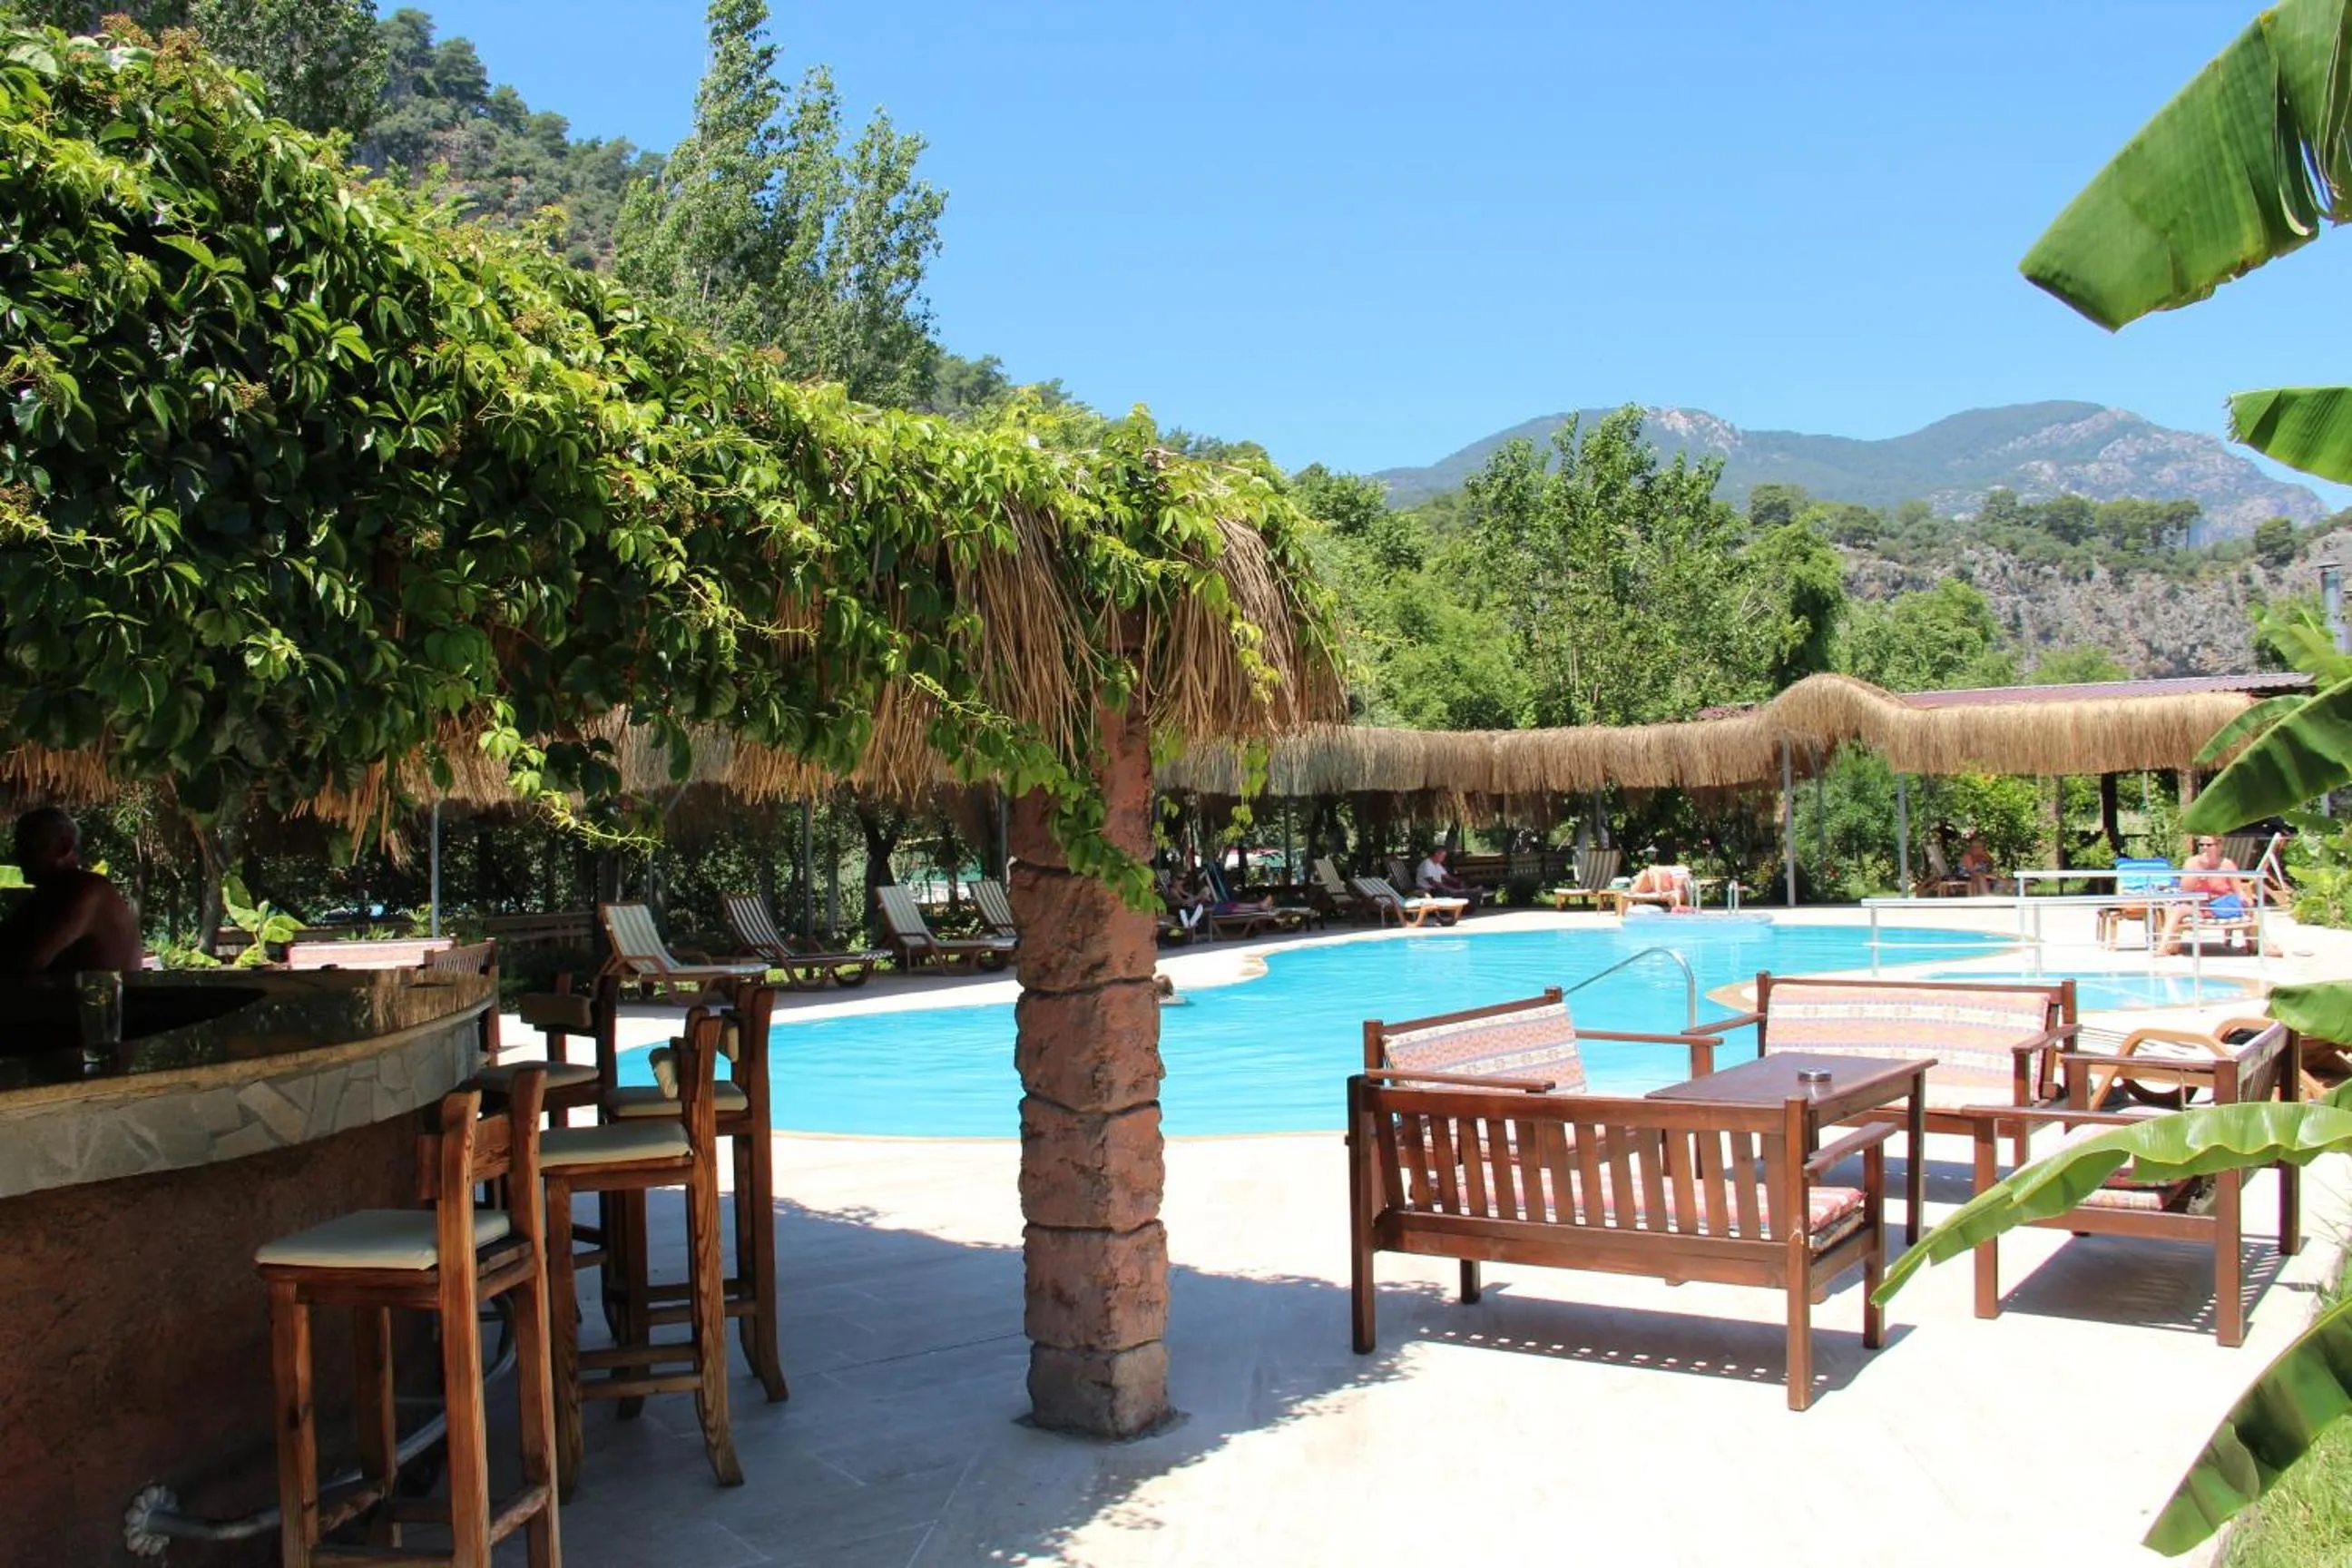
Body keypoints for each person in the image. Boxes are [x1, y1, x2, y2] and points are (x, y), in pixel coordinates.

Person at [0, 808, 142, 975]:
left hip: (99, 1000)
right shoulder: (49, 894)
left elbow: (27, 960)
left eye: (29, 843)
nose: (20, 854)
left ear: (64, 846)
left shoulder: (85, 889)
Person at [2159, 835, 2241, 956]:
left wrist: (2246, 900)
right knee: (2178, 910)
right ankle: (2163, 946)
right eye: (2201, 845)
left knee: (2250, 908)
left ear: (2219, 847)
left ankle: (2257, 945)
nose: (2204, 848)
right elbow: (2185, 890)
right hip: (2199, 906)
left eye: (2209, 845)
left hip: (2221, 906)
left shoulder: (2227, 865)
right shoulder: (2192, 863)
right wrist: (2198, 873)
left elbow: (2238, 890)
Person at [1624, 844, 1693, 910]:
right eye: (1650, 853)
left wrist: (1660, 890)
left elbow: (1677, 891)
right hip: (1649, 886)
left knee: (1646, 873)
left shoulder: (1679, 881)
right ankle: (1631, 898)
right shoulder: (1652, 870)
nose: (1652, 855)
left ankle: (1631, 897)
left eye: (1653, 853)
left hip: (1657, 888)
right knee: (1643, 873)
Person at [1414, 846, 1484, 911]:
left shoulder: (1437, 864)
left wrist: (1459, 881)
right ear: (1437, 854)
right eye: (1443, 856)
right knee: (1456, 893)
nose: (1444, 858)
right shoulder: (1426, 864)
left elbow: (1447, 876)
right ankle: (1472, 894)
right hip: (1429, 890)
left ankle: (1472, 895)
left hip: (1437, 888)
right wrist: (1448, 888)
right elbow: (1432, 882)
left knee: (1459, 890)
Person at [1956, 832, 2005, 897]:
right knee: (1981, 877)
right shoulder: (1968, 856)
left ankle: (1999, 898)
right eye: (1975, 847)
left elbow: (1991, 866)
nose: (1978, 849)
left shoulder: (1982, 856)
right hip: (1965, 876)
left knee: (2001, 880)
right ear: (1972, 848)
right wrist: (1987, 875)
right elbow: (1971, 871)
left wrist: (1988, 858)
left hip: (1981, 876)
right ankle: (1987, 898)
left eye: (1980, 847)